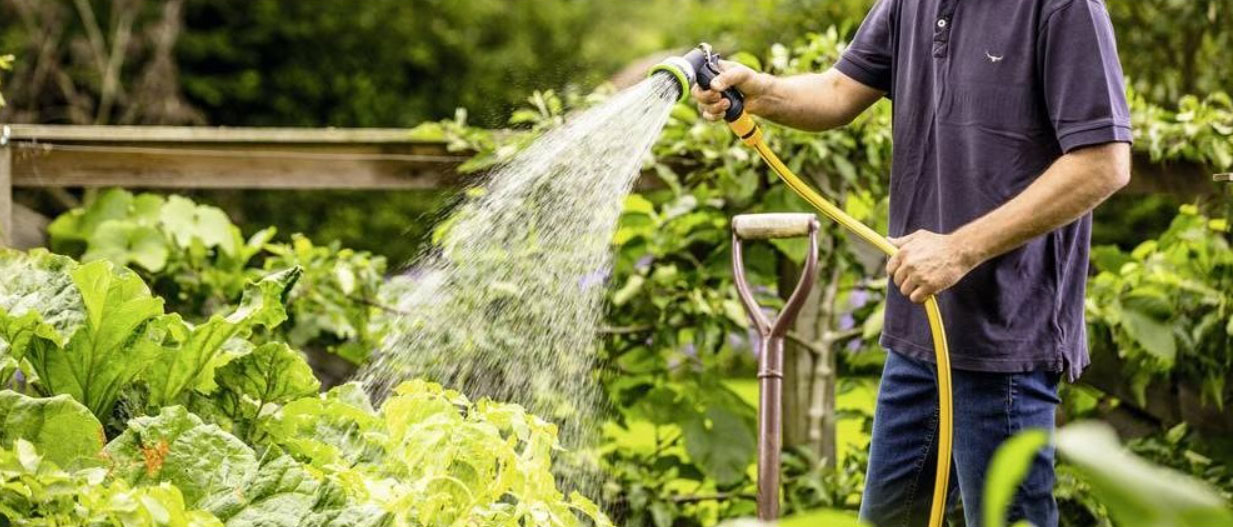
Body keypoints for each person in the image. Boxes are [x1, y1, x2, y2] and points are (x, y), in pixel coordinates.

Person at [692, 1, 1132, 526]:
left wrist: (959, 249)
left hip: (1005, 341)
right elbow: (837, 93)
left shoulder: (1064, 7)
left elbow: (1103, 163)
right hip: (918, 330)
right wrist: (759, 90)